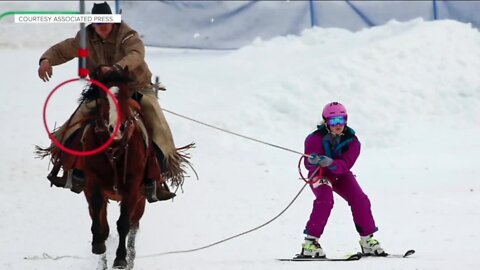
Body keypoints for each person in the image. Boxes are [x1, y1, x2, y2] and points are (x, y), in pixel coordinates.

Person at [37, 2, 190, 202]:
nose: (103, 25)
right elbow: (62, 50)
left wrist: (117, 67)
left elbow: (136, 54)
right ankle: (69, 169)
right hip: (102, 91)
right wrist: (46, 60)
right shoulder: (84, 38)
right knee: (73, 124)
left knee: (158, 125)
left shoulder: (127, 35)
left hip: (136, 88)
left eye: (107, 21)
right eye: (99, 22)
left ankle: (157, 177)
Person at [299, 101, 385, 258]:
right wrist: (314, 161)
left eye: (341, 119)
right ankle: (310, 243)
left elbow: (346, 164)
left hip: (340, 173)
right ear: (326, 122)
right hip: (320, 174)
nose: (338, 124)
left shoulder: (353, 141)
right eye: (333, 121)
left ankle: (367, 240)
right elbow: (307, 163)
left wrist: (331, 163)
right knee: (325, 200)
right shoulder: (313, 139)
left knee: (361, 200)